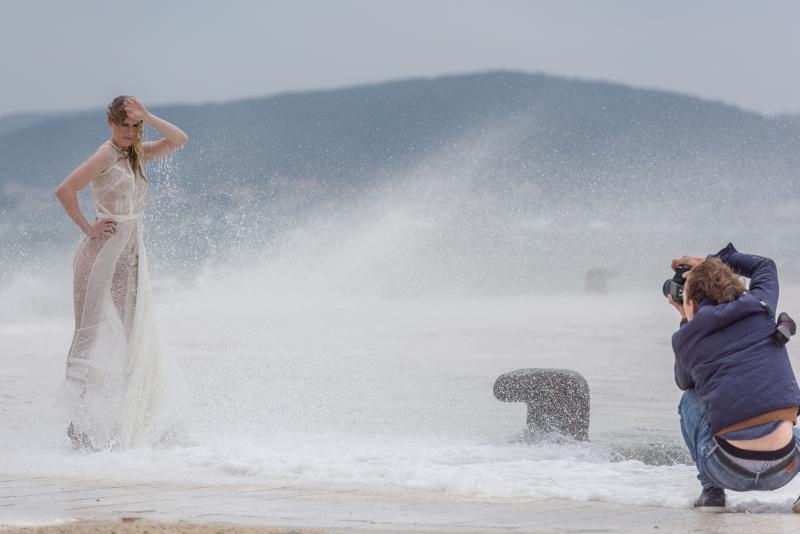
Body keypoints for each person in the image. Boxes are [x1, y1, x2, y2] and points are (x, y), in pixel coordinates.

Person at [55, 96, 189, 450]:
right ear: (110, 124)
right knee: (88, 332)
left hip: (130, 255)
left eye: (135, 127)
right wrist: (88, 227)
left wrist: (148, 115)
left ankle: (132, 417)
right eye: (124, 126)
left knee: (136, 333)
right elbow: (65, 190)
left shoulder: (137, 154)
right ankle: (77, 423)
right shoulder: (105, 155)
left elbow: (179, 140)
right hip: (100, 254)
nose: (129, 132)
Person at [667, 243, 800, 512]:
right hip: (785, 467)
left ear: (691, 302)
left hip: (725, 469)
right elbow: (765, 266)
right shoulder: (761, 307)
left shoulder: (686, 337)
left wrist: (685, 323)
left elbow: (684, 382)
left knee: (689, 399)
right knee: (785, 424)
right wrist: (715, 261)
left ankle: (712, 492)